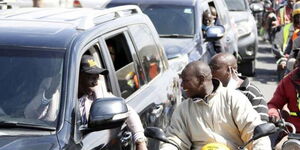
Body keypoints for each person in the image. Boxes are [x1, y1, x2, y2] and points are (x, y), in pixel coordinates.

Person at [160, 61, 271, 150]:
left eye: (186, 81)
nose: (182, 85)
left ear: (201, 79)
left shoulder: (234, 99)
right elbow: (175, 139)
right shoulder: (183, 109)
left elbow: (254, 132)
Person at [76, 55, 149, 150]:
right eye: (92, 78)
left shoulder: (99, 93)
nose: (96, 83)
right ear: (78, 77)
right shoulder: (60, 98)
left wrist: (140, 141)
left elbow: (129, 112)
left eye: (97, 78)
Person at [209, 53, 269, 122]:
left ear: (229, 70)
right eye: (209, 68)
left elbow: (261, 125)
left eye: (214, 68)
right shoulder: (210, 89)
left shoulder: (251, 92)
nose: (210, 72)